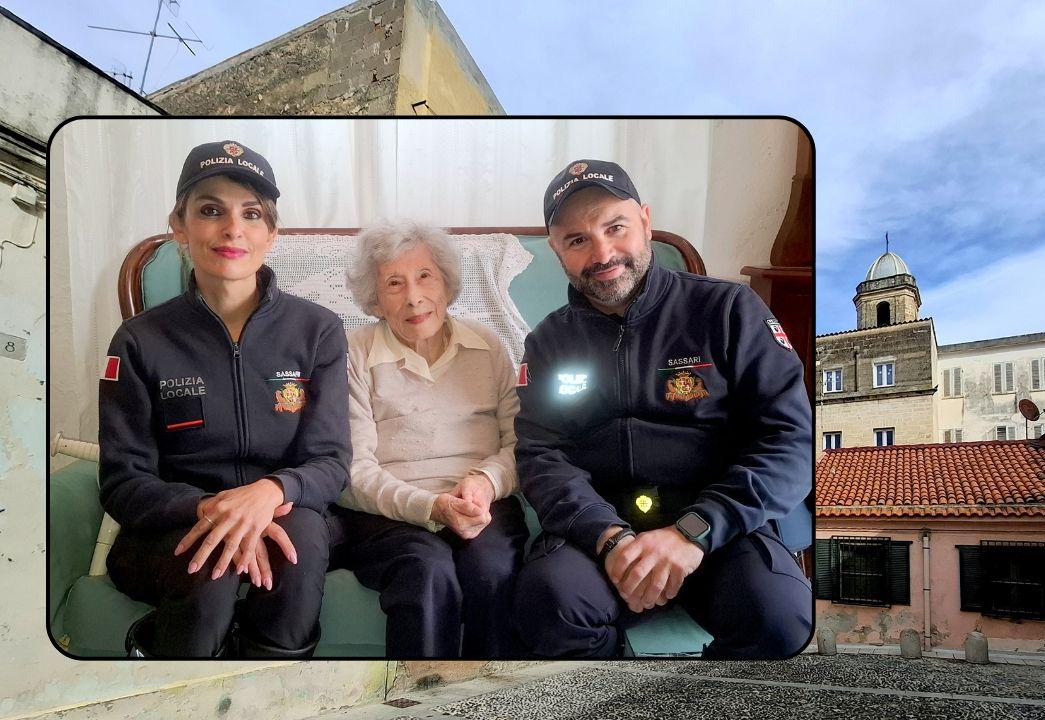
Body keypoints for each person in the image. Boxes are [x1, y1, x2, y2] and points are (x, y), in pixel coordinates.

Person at [513, 159, 813, 658]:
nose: (602, 253)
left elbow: (789, 441)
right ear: (557, 252)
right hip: (600, 533)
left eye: (615, 227)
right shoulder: (547, 342)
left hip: (717, 528)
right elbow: (542, 454)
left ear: (646, 222)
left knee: (781, 620)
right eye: (577, 240)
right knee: (549, 605)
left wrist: (693, 532)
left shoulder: (730, 310)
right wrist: (609, 539)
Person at [99, 140, 350, 657]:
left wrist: (268, 495)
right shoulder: (138, 340)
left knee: (296, 546)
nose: (233, 229)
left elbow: (331, 462)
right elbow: (123, 481)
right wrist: (209, 508)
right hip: (171, 525)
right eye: (211, 210)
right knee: (211, 567)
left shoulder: (318, 330)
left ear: (271, 234)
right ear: (180, 226)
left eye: (251, 214)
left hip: (285, 510)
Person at [336, 219, 526, 657]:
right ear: (376, 300)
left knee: (492, 573)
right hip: (390, 515)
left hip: (485, 504)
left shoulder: (487, 344)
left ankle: (490, 703)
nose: (414, 297)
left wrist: (484, 482)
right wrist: (430, 506)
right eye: (394, 283)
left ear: (446, 283)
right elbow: (352, 468)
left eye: (425, 276)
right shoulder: (353, 353)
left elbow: (520, 443)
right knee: (426, 572)